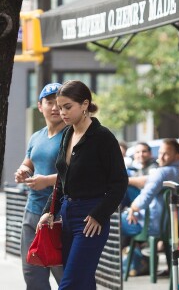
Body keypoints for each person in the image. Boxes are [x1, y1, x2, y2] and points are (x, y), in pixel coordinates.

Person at [37, 80, 128, 290]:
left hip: (90, 219)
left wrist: (100, 214)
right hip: (67, 215)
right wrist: (49, 211)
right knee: (83, 283)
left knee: (69, 284)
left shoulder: (103, 137)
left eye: (67, 107)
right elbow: (62, 178)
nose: (62, 113)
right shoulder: (67, 134)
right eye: (60, 108)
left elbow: (120, 182)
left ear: (85, 104)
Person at [14, 83, 65, 290]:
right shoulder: (37, 136)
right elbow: (29, 162)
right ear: (40, 106)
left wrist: (47, 180)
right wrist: (22, 171)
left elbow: (77, 173)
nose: (54, 107)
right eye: (49, 102)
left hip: (59, 215)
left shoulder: (72, 135)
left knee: (65, 275)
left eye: (59, 103)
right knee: (32, 274)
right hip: (32, 212)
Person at [121, 138, 179, 241]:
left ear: (177, 156)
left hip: (150, 225)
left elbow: (144, 199)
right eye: (160, 153)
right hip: (170, 226)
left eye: (166, 154)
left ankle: (132, 254)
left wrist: (132, 208)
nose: (161, 157)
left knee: (112, 222)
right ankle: (135, 253)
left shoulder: (161, 173)